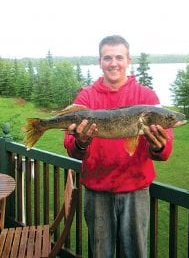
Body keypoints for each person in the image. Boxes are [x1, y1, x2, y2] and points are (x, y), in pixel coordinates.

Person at [64, 35, 173, 258]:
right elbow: (72, 147)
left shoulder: (146, 96)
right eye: (108, 57)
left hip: (136, 191)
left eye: (119, 57)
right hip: (97, 192)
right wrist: (80, 142)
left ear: (128, 60)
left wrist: (159, 146)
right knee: (100, 253)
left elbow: (165, 150)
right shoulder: (86, 97)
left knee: (135, 253)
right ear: (100, 62)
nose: (113, 63)